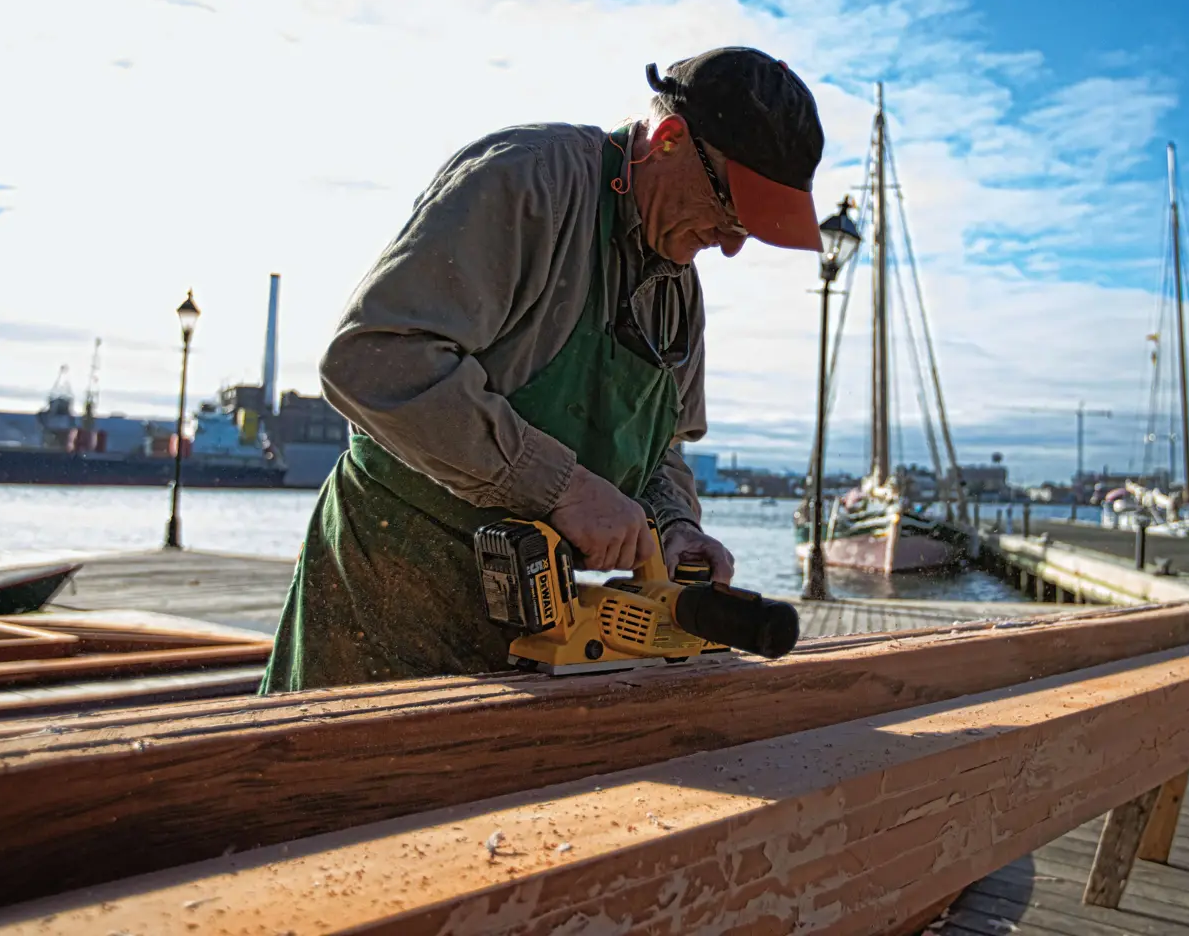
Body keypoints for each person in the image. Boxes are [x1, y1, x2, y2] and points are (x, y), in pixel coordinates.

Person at [261, 48, 826, 693]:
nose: (730, 244)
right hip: (398, 579)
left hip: (547, 622)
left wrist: (676, 526)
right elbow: (372, 359)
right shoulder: (526, 181)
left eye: (746, 231)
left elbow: (661, 447)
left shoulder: (679, 285)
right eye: (729, 214)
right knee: (346, 786)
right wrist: (564, 488)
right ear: (669, 140)